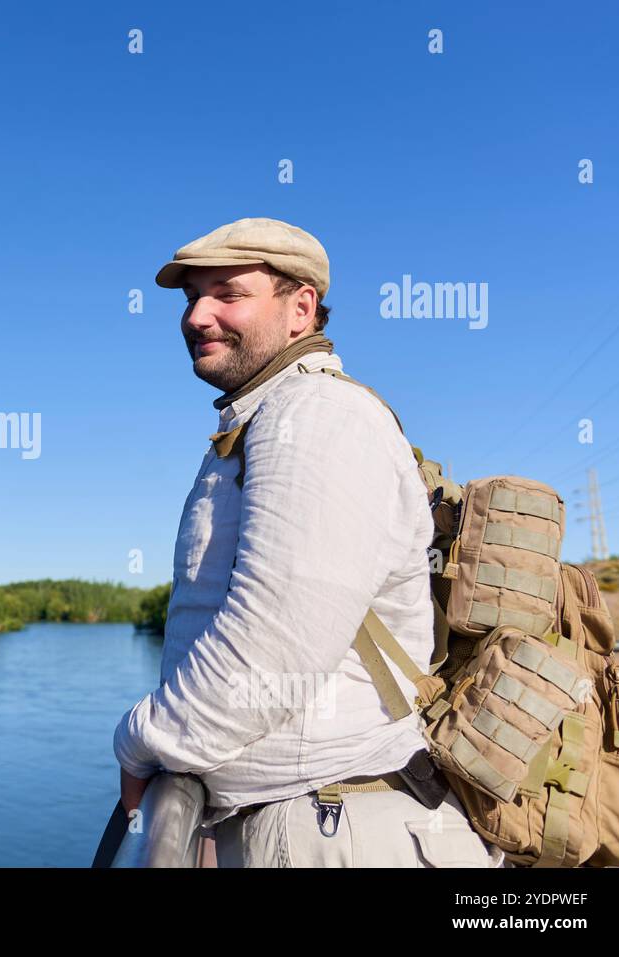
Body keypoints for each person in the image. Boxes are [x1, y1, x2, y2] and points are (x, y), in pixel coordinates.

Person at [112, 217, 502, 867]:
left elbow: (276, 646)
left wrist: (142, 743)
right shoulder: (268, 419)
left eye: (228, 293)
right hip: (308, 824)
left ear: (301, 308)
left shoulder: (314, 414)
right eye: (191, 298)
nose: (198, 315)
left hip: (331, 830)